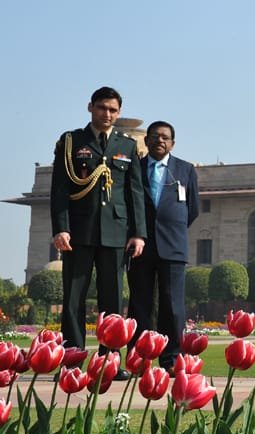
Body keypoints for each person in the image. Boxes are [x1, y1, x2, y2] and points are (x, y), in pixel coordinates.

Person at [50, 86, 146, 380]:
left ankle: (109, 362)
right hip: (78, 232)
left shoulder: (127, 146)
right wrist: (60, 228)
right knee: (73, 298)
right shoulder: (71, 142)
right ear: (90, 107)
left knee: (112, 301)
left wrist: (138, 233)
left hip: (115, 233)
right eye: (103, 108)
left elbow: (135, 193)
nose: (107, 114)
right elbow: (60, 190)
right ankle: (72, 362)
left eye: (113, 110)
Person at [127, 121, 199, 373]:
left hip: (173, 246)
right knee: (140, 304)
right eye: (155, 136)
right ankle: (138, 360)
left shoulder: (186, 170)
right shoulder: (134, 167)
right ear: (146, 141)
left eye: (165, 137)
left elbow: (192, 209)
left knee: (173, 306)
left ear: (172, 143)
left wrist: (171, 228)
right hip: (140, 245)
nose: (160, 140)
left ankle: (171, 359)